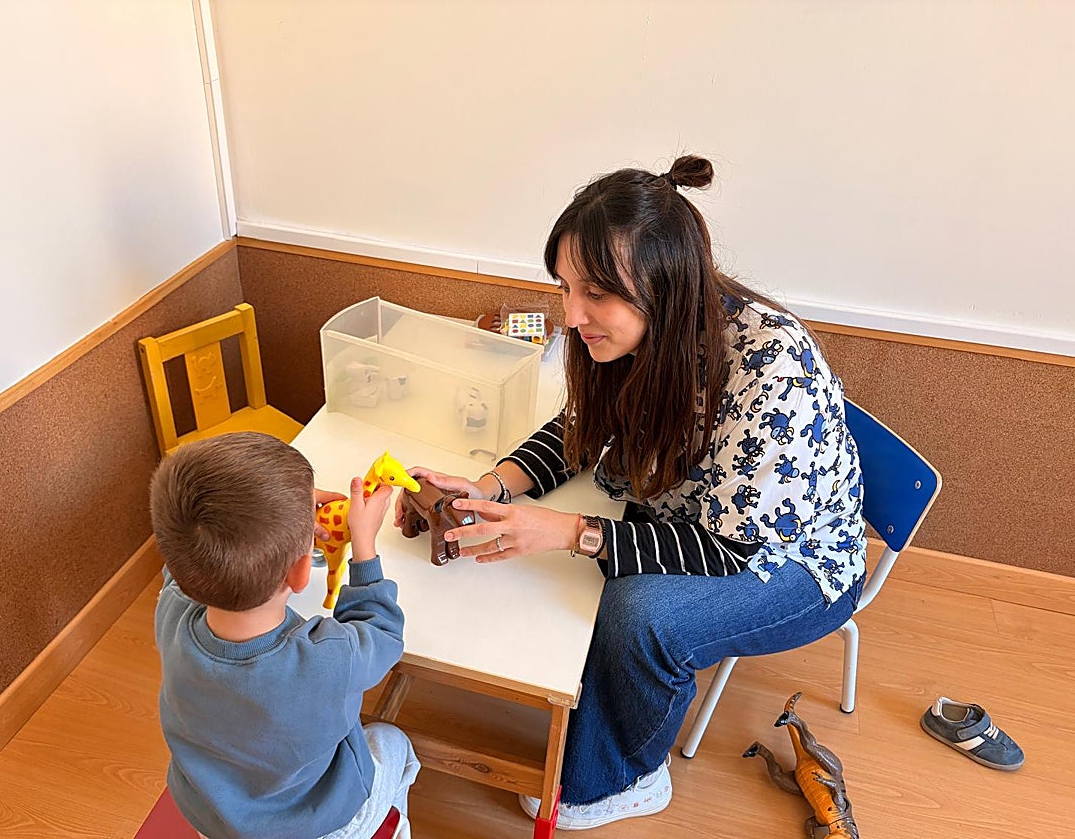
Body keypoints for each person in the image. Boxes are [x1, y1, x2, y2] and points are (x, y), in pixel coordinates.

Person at [395, 155, 865, 831]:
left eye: (595, 294)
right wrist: (493, 484)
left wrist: (568, 533)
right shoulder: (635, 332)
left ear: (664, 284)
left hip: (789, 561)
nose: (572, 314)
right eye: (563, 288)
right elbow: (580, 428)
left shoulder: (771, 370)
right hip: (695, 515)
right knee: (580, 565)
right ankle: (600, 715)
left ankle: (626, 776)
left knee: (639, 612)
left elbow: (731, 549)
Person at [149, 431, 420, 839]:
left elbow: (181, 564)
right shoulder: (326, 657)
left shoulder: (171, 609)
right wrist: (363, 544)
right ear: (300, 572)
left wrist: (277, 523)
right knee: (393, 742)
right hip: (320, 825)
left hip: (214, 817)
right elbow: (381, 633)